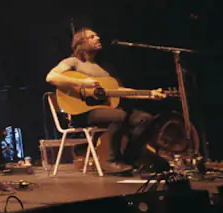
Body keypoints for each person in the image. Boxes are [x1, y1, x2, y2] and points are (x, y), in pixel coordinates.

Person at [46, 28, 161, 171]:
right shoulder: (72, 62)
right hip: (83, 112)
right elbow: (51, 77)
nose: (98, 38)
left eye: (97, 36)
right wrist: (82, 83)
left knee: (145, 119)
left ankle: (129, 158)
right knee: (120, 116)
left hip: (105, 110)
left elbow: (119, 91)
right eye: (92, 36)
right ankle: (111, 160)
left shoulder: (104, 69)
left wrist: (149, 94)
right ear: (80, 44)